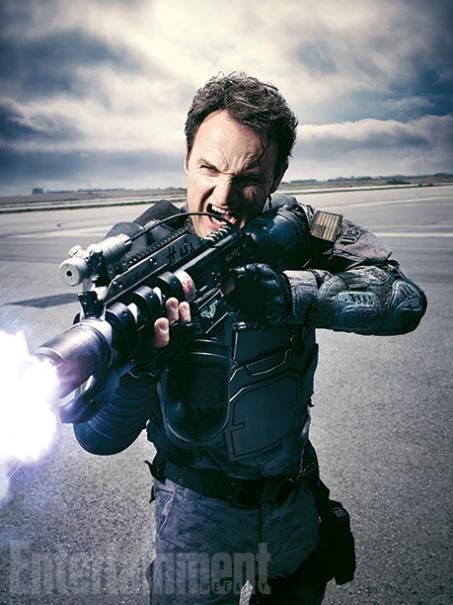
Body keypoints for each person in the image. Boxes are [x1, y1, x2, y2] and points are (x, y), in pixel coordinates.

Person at [72, 73, 427, 604]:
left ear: (278, 176)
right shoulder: (138, 263)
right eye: (209, 168)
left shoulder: (299, 229)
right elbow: (97, 437)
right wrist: (141, 370)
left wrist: (289, 293)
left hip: (293, 499)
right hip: (196, 515)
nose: (223, 198)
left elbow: (404, 299)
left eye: (248, 178)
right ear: (186, 159)